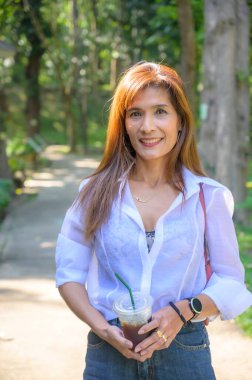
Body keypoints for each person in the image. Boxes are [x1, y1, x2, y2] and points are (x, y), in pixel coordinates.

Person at [55, 61, 252, 380]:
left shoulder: (207, 197)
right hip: (109, 352)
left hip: (184, 350)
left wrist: (184, 311)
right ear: (123, 124)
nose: (147, 126)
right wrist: (102, 329)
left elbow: (231, 282)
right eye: (135, 114)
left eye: (160, 111)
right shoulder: (94, 194)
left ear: (180, 122)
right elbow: (68, 274)